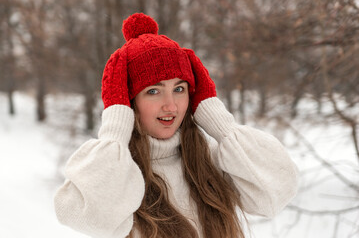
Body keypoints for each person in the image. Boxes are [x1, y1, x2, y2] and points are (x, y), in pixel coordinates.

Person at [54, 13, 299, 238]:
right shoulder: (118, 176)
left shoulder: (211, 161)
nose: (171, 106)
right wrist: (115, 133)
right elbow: (93, 220)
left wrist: (220, 124)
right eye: (153, 91)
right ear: (128, 103)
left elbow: (274, 195)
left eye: (179, 89)